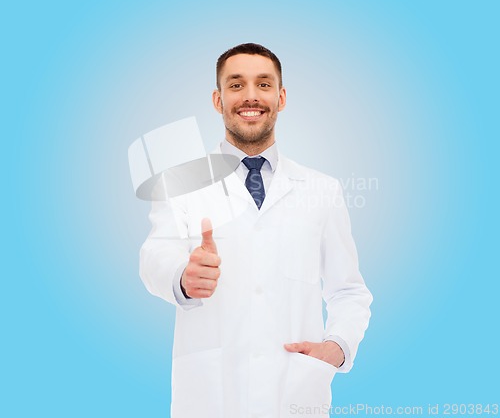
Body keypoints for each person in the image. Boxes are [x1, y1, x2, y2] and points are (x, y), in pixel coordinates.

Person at [139, 43, 372, 418]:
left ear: (280, 97)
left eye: (263, 85)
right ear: (218, 100)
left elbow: (348, 290)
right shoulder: (179, 182)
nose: (251, 96)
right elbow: (154, 257)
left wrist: (338, 346)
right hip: (210, 399)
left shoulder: (322, 190)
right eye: (236, 85)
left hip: (296, 397)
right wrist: (183, 277)